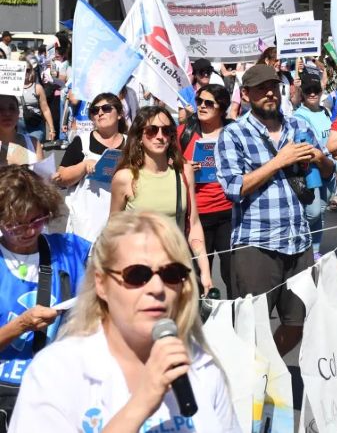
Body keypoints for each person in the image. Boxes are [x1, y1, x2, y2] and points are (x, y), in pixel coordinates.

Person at [8, 211, 241, 432]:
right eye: (137, 275)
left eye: (171, 274)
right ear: (101, 283)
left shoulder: (201, 366)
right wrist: (141, 402)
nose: (157, 288)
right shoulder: (57, 372)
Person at [215, 64, 334, 355]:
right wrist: (279, 161)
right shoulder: (234, 134)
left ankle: (267, 369)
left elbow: (331, 172)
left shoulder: (299, 127)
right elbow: (233, 188)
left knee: (298, 323)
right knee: (251, 327)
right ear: (245, 94)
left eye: (272, 87)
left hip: (297, 241)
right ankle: (250, 385)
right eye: (260, 89)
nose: (269, 93)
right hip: (256, 243)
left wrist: (320, 158)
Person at [0, 165, 91, 430]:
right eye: (15, 225)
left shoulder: (69, 249)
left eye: (36, 221)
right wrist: (22, 325)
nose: (28, 231)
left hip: (55, 389)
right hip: (6, 392)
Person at [110, 106, 213, 294]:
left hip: (176, 270)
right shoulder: (125, 178)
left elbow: (193, 225)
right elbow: (114, 232)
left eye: (166, 131)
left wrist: (205, 271)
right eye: (152, 130)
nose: (160, 136)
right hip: (137, 274)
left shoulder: (184, 172)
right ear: (139, 136)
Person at [177, 85, 233, 296]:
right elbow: (166, 162)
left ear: (222, 108)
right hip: (195, 215)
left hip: (228, 211)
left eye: (209, 103)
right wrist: (184, 165)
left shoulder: (233, 132)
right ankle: (200, 321)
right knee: (198, 276)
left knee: (232, 274)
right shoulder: (184, 132)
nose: (201, 106)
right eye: (199, 101)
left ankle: (234, 320)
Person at [53, 93, 127, 242]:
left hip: (122, 223)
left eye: (106, 108)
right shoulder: (82, 141)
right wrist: (83, 166)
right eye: (95, 110)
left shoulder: (130, 143)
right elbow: (61, 178)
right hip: (87, 227)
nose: (100, 113)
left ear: (119, 114)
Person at [293, 80, 334, 260]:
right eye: (308, 90)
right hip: (312, 169)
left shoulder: (325, 112)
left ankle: (315, 250)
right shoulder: (299, 115)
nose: (312, 93)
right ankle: (298, 242)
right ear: (302, 93)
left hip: (328, 166)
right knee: (313, 212)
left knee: (321, 213)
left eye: (315, 90)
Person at [18, 58, 55, 144]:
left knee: (33, 148)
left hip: (35, 124)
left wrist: (52, 129)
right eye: (22, 70)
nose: (25, 73)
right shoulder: (12, 88)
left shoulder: (37, 88)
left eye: (27, 70)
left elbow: (45, 109)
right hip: (18, 125)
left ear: (31, 71)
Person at [0, 94, 42, 166]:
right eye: (0, 109)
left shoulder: (33, 143)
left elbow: (44, 175)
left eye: (12, 108)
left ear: (18, 112)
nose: (7, 113)